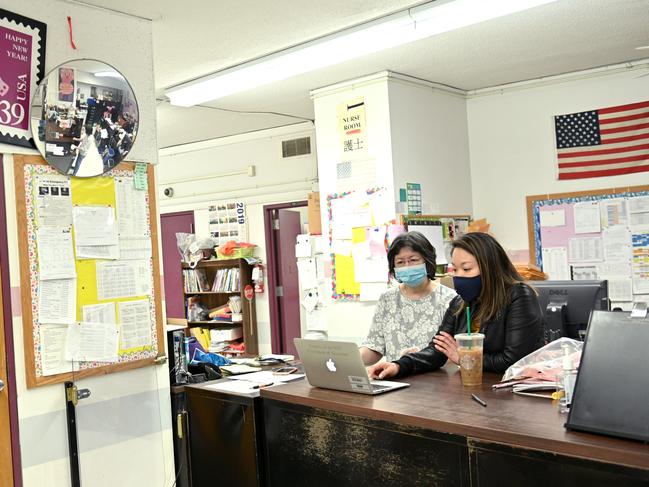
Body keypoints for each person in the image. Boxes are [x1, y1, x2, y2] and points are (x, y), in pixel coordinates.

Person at [368, 232, 543, 379]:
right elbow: (437, 350)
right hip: (472, 390)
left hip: (510, 394)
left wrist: (464, 358)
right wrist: (398, 366)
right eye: (455, 269)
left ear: (490, 268)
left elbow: (513, 360)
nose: (458, 276)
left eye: (466, 269)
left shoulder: (519, 296)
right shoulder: (460, 302)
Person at [359, 231, 457, 365]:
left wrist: (416, 361)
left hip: (436, 381)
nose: (407, 266)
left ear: (427, 261)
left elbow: (456, 355)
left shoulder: (450, 299)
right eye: (400, 262)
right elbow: (375, 346)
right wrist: (350, 358)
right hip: (395, 380)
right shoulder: (387, 299)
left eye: (413, 260)